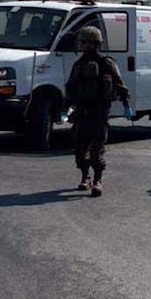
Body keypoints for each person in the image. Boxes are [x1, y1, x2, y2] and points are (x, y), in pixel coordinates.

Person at [64, 26, 132, 197]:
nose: (86, 45)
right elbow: (71, 86)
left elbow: (119, 84)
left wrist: (126, 104)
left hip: (100, 111)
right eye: (84, 42)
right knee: (80, 147)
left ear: (96, 44)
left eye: (89, 42)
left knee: (97, 148)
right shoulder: (78, 64)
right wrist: (66, 108)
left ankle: (98, 179)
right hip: (81, 111)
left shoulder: (107, 63)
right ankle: (85, 176)